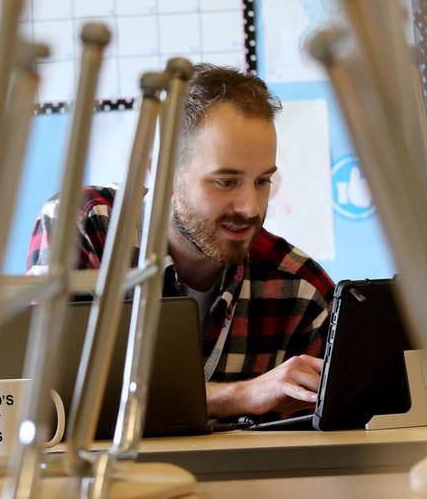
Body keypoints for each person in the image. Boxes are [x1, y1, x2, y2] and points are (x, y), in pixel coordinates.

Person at [27, 64, 334, 419]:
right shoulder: (82, 225)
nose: (250, 207)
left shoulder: (301, 291)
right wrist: (239, 395)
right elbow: (51, 401)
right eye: (226, 182)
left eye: (262, 181)